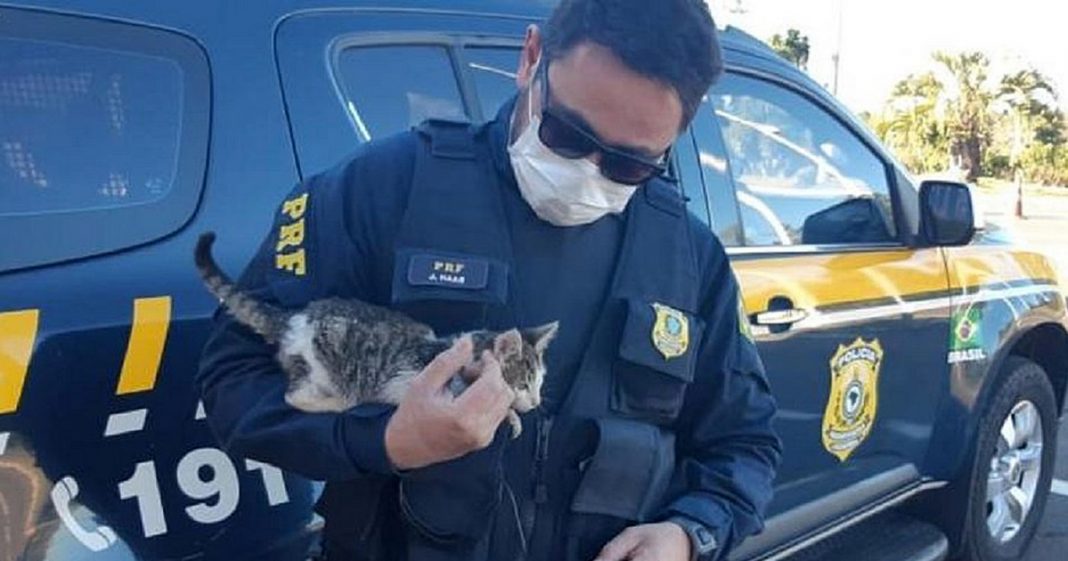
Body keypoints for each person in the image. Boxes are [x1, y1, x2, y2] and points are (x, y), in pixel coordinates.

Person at [197, 1, 782, 560]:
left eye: (628, 165)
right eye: (568, 137)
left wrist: (688, 534)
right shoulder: (383, 189)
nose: (587, 175)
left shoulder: (688, 254)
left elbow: (743, 443)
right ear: (531, 59)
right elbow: (236, 376)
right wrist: (384, 440)